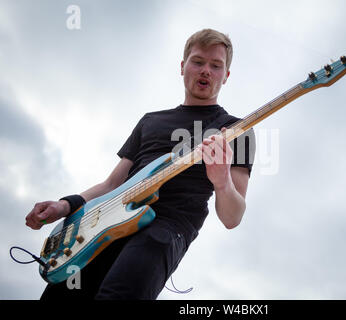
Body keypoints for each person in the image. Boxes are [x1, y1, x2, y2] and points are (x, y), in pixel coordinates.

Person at [25, 28, 256, 299]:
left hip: (166, 227)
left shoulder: (237, 130)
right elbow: (112, 184)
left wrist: (222, 181)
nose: (206, 70)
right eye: (198, 61)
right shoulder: (151, 120)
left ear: (226, 76)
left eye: (216, 65)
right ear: (183, 67)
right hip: (106, 224)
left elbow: (232, 217)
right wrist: (65, 205)